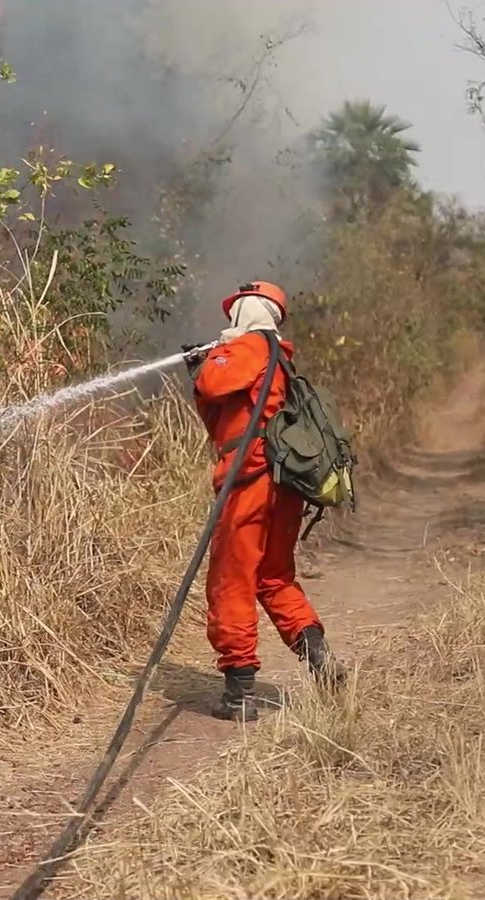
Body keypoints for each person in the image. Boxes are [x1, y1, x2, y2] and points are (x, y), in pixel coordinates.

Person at [185, 282, 347, 721]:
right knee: (273, 576)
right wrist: (201, 371)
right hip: (284, 484)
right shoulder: (278, 358)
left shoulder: (251, 347)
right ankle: (320, 659)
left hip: (252, 480)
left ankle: (239, 692)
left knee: (232, 578)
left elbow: (216, 382)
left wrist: (209, 362)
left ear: (248, 311)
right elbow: (223, 413)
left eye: (235, 311)